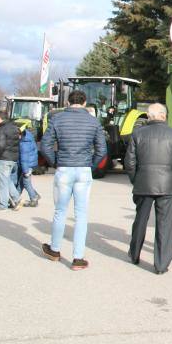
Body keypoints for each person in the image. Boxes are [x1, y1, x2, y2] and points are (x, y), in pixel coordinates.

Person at [39, 90, 107, 271]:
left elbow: (45, 145)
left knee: (60, 211)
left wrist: (55, 162)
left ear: (68, 103)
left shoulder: (57, 119)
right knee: (81, 214)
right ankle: (78, 258)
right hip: (83, 170)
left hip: (64, 169)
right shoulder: (93, 121)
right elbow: (102, 150)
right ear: (85, 103)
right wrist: (90, 166)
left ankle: (54, 250)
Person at [125, 103, 172, 274]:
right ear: (164, 116)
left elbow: (129, 163)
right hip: (167, 186)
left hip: (143, 183)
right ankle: (161, 264)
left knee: (140, 221)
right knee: (165, 225)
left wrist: (135, 180)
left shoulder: (137, 134)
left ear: (149, 116)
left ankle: (134, 254)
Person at [0, 111, 22, 211]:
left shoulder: (2, 129)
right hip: (12, 158)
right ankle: (17, 199)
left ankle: (3, 204)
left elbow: (0, 145)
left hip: (3, 158)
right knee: (7, 181)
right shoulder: (14, 127)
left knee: (2, 183)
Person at [17, 126, 41, 206]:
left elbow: (24, 159)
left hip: (27, 165)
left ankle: (34, 197)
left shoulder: (24, 143)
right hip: (30, 164)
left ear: (20, 134)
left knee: (26, 182)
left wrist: (25, 171)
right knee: (22, 182)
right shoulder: (28, 137)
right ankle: (16, 198)